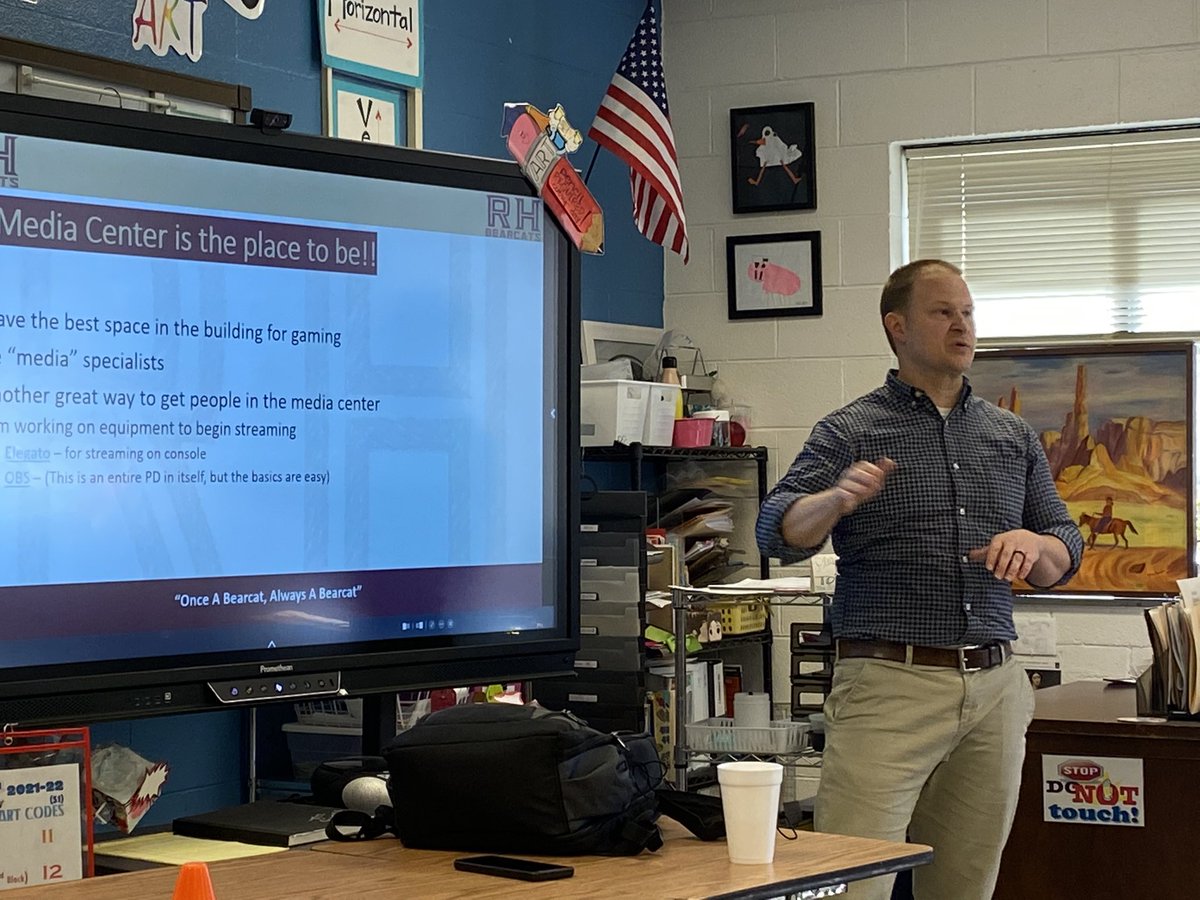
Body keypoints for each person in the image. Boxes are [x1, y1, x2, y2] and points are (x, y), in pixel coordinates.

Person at [755, 259, 1083, 900]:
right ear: (897, 326)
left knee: (965, 888)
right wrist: (835, 500)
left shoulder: (1010, 435)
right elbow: (776, 530)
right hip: (887, 689)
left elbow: (1065, 547)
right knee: (856, 886)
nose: (962, 325)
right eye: (944, 312)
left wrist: (1033, 542)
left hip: (994, 690)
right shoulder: (850, 430)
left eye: (968, 312)